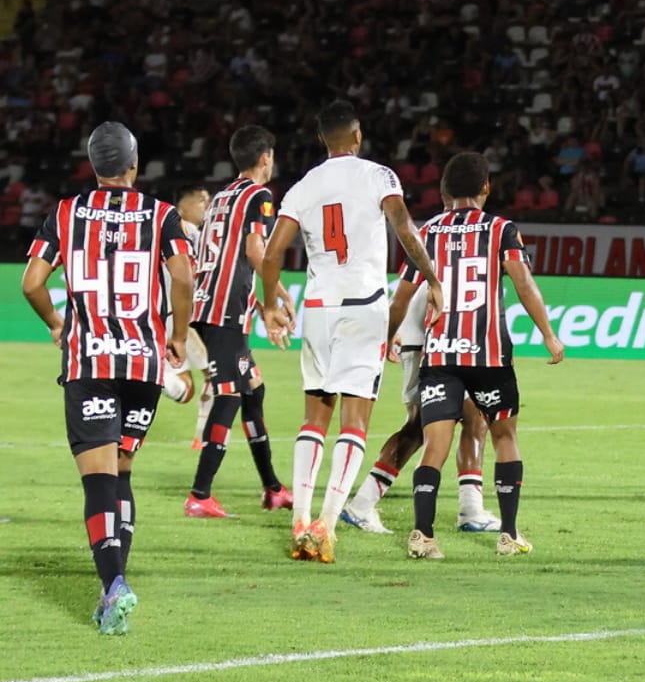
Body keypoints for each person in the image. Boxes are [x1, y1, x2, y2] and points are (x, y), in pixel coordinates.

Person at [20, 122, 195, 634]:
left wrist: (57, 324)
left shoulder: (66, 213)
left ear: (93, 165)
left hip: (90, 360)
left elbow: (31, 282)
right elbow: (182, 276)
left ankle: (114, 583)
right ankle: (110, 585)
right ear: (135, 165)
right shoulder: (162, 215)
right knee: (122, 470)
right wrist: (178, 337)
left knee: (98, 479)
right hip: (143, 362)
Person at [260, 100, 444, 564]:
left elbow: (271, 254)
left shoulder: (303, 186)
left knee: (313, 419)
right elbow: (404, 228)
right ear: (357, 137)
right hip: (363, 307)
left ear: (324, 140)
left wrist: (269, 304)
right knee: (354, 422)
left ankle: (299, 520)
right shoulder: (378, 176)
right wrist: (434, 279)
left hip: (318, 308)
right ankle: (325, 524)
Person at [386, 152, 564, 560]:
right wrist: (549, 335)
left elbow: (402, 295)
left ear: (444, 190)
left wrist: (389, 336)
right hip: (489, 356)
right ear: (486, 188)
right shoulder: (502, 229)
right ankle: (509, 534)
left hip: (441, 353)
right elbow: (523, 283)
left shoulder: (427, 231)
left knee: (435, 444)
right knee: (505, 437)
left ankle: (422, 535)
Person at [183, 127, 295, 518]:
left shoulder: (222, 196)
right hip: (226, 308)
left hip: (209, 302)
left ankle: (273, 488)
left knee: (252, 392)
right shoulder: (259, 196)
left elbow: (240, 252)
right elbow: (254, 249)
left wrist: (273, 289)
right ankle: (200, 495)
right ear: (266, 156)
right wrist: (269, 304)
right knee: (229, 394)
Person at [339, 279, 494, 535]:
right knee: (462, 418)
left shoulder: (431, 242)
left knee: (424, 426)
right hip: (435, 336)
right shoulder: (456, 243)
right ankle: (471, 510)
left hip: (430, 333)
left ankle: (362, 504)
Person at [160, 184, 210, 431]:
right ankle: (152, 377)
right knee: (202, 381)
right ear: (183, 206)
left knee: (185, 388)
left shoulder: (160, 227)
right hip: (173, 314)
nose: (206, 206)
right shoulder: (189, 233)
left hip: (155, 310)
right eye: (200, 200)